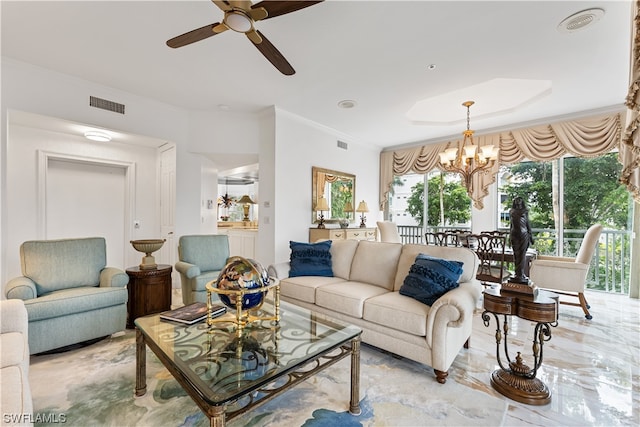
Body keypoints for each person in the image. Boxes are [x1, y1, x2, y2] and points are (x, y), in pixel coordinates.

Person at [509, 197, 534, 283]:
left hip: (523, 234)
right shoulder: (511, 211)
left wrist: (531, 236)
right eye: (516, 200)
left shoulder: (525, 211)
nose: (518, 201)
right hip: (514, 234)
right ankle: (517, 273)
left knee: (522, 254)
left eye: (519, 200)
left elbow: (527, 224)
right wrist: (509, 236)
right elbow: (511, 225)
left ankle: (521, 274)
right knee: (516, 255)